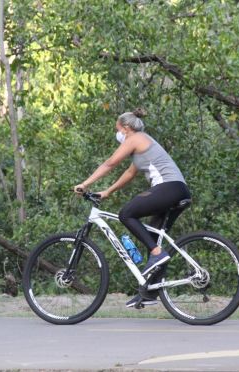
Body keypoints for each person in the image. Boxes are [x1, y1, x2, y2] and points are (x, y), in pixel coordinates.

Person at [74, 108, 191, 307]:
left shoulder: (136, 138)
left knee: (126, 214)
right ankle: (149, 293)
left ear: (126, 128)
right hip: (177, 190)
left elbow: (110, 163)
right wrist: (108, 191)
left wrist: (85, 184)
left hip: (169, 187)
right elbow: (129, 173)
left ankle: (157, 254)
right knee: (152, 238)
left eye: (118, 129)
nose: (117, 134)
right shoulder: (143, 146)